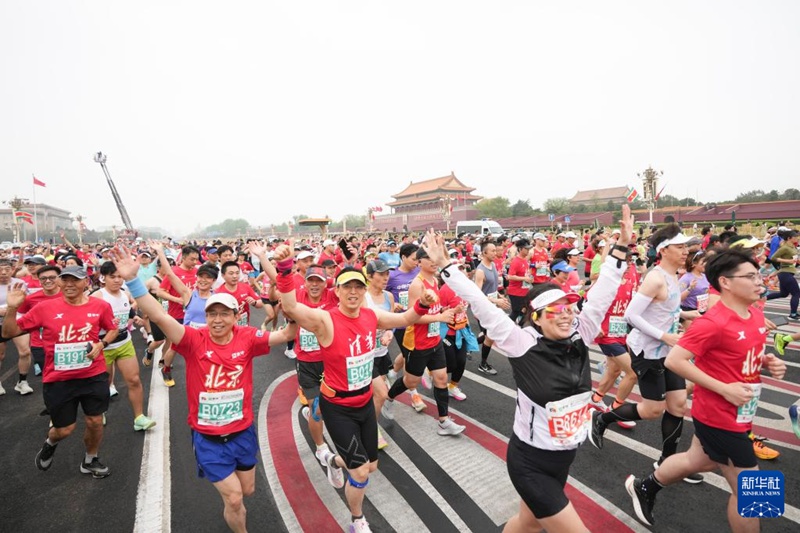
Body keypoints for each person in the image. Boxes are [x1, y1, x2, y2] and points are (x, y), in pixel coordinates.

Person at [421, 205, 633, 533]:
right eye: (555, 310)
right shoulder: (521, 342)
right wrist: (446, 265)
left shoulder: (581, 331)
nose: (566, 315)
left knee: (527, 525)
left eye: (569, 307)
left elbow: (604, 292)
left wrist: (621, 248)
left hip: (564, 456)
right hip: (530, 462)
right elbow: (478, 301)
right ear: (535, 317)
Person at [108, 244, 296, 533]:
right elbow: (159, 317)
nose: (217, 320)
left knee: (246, 491)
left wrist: (286, 285)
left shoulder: (247, 337)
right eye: (212, 314)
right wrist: (133, 281)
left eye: (224, 314)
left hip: (242, 432)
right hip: (208, 437)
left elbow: (286, 333)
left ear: (236, 316)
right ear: (205, 317)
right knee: (234, 500)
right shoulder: (193, 338)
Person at [276, 244, 437, 533]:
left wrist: (422, 303)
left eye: (358, 288)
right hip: (337, 407)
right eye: (346, 287)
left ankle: (335, 462)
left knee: (369, 465)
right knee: (361, 471)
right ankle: (357, 520)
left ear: (364, 291)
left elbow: (404, 320)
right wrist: (286, 270)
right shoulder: (325, 320)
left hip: (363, 405)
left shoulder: (370, 315)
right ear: (336, 291)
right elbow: (289, 307)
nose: (353, 292)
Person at [625, 249, 786, 530]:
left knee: (696, 460)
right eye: (750, 276)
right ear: (725, 282)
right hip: (719, 417)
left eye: (759, 274)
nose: (760, 282)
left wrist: (765, 361)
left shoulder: (756, 316)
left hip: (742, 412)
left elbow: (739, 354)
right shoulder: (713, 322)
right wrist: (724, 389)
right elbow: (675, 360)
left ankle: (645, 487)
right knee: (752, 490)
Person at [589, 224, 703, 483]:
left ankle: (668, 462)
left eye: (686, 246)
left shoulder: (674, 275)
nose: (686, 251)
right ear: (663, 250)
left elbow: (664, 310)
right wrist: (665, 336)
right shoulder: (655, 277)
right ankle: (602, 418)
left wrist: (685, 314)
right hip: (648, 351)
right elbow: (631, 314)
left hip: (668, 351)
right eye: (680, 246)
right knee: (653, 410)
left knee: (677, 405)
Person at [2, 266, 119, 478]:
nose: (69, 284)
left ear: (86, 283)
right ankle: (51, 442)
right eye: (65, 280)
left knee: (95, 421)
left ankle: (90, 460)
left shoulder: (101, 306)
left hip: (93, 375)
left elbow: (112, 328)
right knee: (64, 429)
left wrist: (101, 344)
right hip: (59, 379)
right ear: (59, 283)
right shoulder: (44, 308)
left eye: (75, 280)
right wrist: (11, 308)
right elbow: (9, 332)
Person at [92, 261, 156, 431]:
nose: (117, 280)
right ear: (103, 278)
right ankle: (99, 412)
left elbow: (128, 310)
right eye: (112, 277)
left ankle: (139, 418)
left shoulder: (124, 293)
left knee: (134, 380)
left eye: (120, 277)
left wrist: (135, 318)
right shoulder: (97, 297)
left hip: (124, 342)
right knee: (103, 383)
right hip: (103, 346)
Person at [473, 240, 511, 375]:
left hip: (493, 306)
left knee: (488, 335)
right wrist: (495, 300)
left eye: (496, 250)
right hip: (483, 309)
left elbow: (492, 286)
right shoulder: (480, 271)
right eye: (493, 251)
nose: (496, 253)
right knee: (490, 336)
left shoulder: (493, 265)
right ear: (484, 253)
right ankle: (482, 364)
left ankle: (467, 345)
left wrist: (499, 296)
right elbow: (477, 295)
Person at [765, 229, 800, 320]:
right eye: (795, 237)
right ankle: (793, 314)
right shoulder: (784, 247)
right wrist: (788, 261)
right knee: (796, 293)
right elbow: (773, 257)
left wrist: (796, 262)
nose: (797, 238)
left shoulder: (792, 247)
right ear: (789, 238)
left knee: (783, 294)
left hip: (788, 272)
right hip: (785, 272)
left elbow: (794, 260)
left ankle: (762, 299)